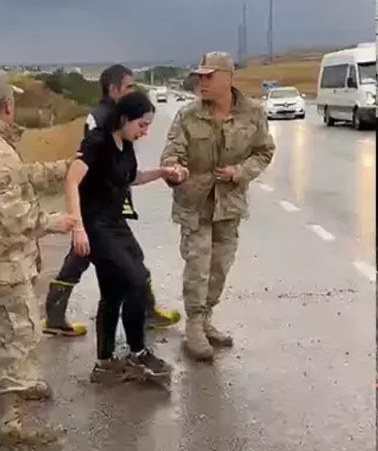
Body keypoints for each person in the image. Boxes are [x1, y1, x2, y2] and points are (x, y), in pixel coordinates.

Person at [44, 64, 180, 336]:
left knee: (128, 255)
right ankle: (56, 315)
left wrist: (159, 173)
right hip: (95, 207)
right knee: (83, 257)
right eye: (129, 87)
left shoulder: (121, 120)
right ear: (114, 88)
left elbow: (127, 172)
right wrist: (80, 222)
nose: (133, 91)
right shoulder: (101, 119)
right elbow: (84, 168)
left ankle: (144, 309)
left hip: (111, 203)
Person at [64, 91, 188, 382]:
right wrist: (77, 227)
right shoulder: (97, 143)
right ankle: (137, 353)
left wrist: (162, 171)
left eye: (148, 127)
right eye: (142, 125)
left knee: (113, 291)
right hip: (95, 226)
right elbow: (71, 179)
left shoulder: (126, 145)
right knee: (136, 279)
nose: (144, 132)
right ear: (124, 118)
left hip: (116, 223)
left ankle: (104, 364)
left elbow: (129, 178)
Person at [160, 52, 275, 361]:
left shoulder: (253, 113)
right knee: (198, 266)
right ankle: (194, 326)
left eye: (209, 77)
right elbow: (172, 153)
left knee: (220, 267)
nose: (202, 82)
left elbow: (264, 152)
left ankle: (206, 318)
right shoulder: (188, 115)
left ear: (228, 77)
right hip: (194, 204)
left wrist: (239, 172)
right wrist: (174, 170)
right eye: (199, 77)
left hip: (229, 204)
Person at [0, 71, 74, 444]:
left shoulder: (5, 148)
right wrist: (52, 222)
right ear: (7, 107)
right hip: (6, 265)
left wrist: (62, 168)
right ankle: (8, 424)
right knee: (19, 335)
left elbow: (22, 177)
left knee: (9, 335)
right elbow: (10, 216)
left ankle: (16, 391)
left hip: (10, 261)